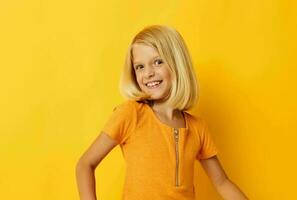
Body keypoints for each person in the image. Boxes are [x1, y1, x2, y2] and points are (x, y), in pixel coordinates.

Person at [75, 25, 248, 200]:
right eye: (140, 67)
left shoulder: (197, 128)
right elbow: (85, 165)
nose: (148, 73)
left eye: (158, 62)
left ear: (178, 64)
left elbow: (222, 183)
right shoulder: (131, 114)